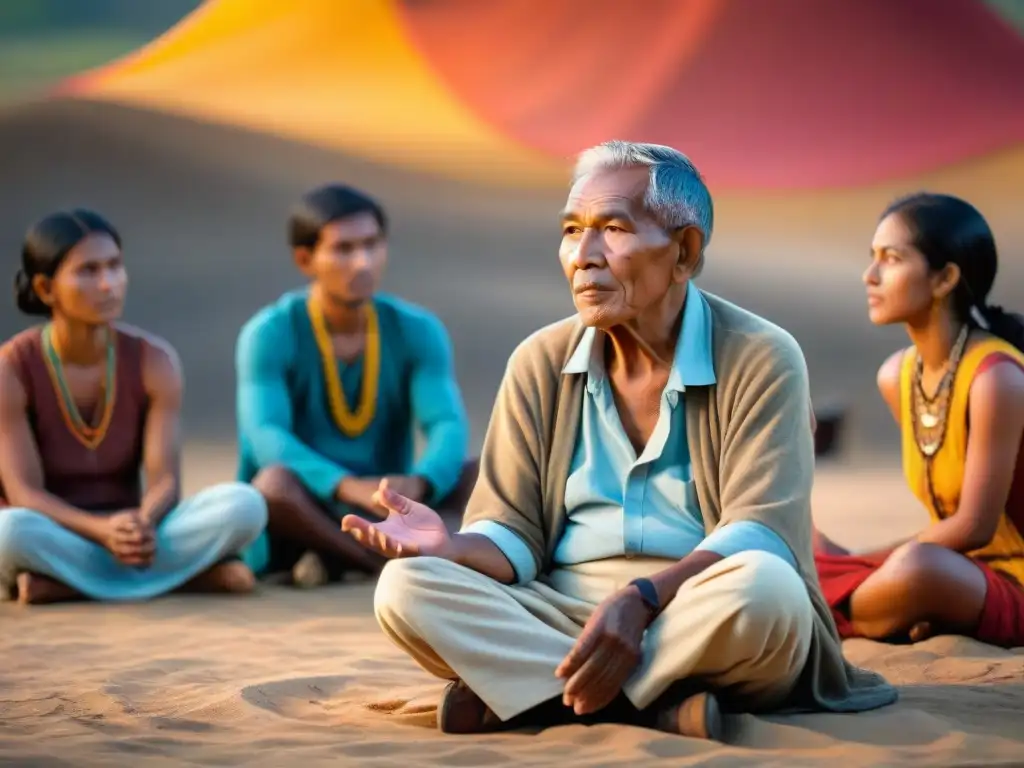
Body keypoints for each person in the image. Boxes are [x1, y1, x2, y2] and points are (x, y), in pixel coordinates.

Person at [340, 141, 897, 738]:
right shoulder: (538, 361)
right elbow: (512, 531)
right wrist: (452, 548)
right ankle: (659, 708)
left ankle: (539, 699)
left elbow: (759, 532)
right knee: (405, 589)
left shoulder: (762, 356)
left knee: (768, 590)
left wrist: (641, 599)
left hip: (697, 604)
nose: (583, 256)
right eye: (572, 231)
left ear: (684, 252)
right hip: (558, 614)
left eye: (611, 229)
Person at [0, 209, 267, 605]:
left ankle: (69, 586)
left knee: (245, 505)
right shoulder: (12, 368)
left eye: (115, 266)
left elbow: (165, 483)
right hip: (56, 532)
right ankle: (181, 580)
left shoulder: (154, 361)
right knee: (10, 532)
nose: (109, 284)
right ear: (45, 288)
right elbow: (24, 493)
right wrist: (101, 530)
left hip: (135, 537)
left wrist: (143, 521)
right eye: (89, 271)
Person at [236, 184, 473, 587]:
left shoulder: (417, 330)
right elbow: (265, 436)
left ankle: (339, 558)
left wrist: (421, 480)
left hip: (389, 505)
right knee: (273, 485)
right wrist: (346, 486)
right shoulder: (270, 332)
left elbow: (446, 424)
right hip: (306, 507)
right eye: (344, 249)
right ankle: (378, 564)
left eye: (372, 244)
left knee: (481, 476)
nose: (363, 262)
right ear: (305, 259)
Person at [814, 193, 1024, 647]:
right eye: (872, 258)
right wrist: (862, 564)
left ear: (945, 277)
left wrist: (870, 563)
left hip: (1009, 579)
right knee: (805, 538)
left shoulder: (997, 378)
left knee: (917, 571)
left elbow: (974, 527)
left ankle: (816, 612)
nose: (869, 276)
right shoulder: (897, 376)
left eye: (891, 259)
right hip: (959, 570)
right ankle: (857, 604)